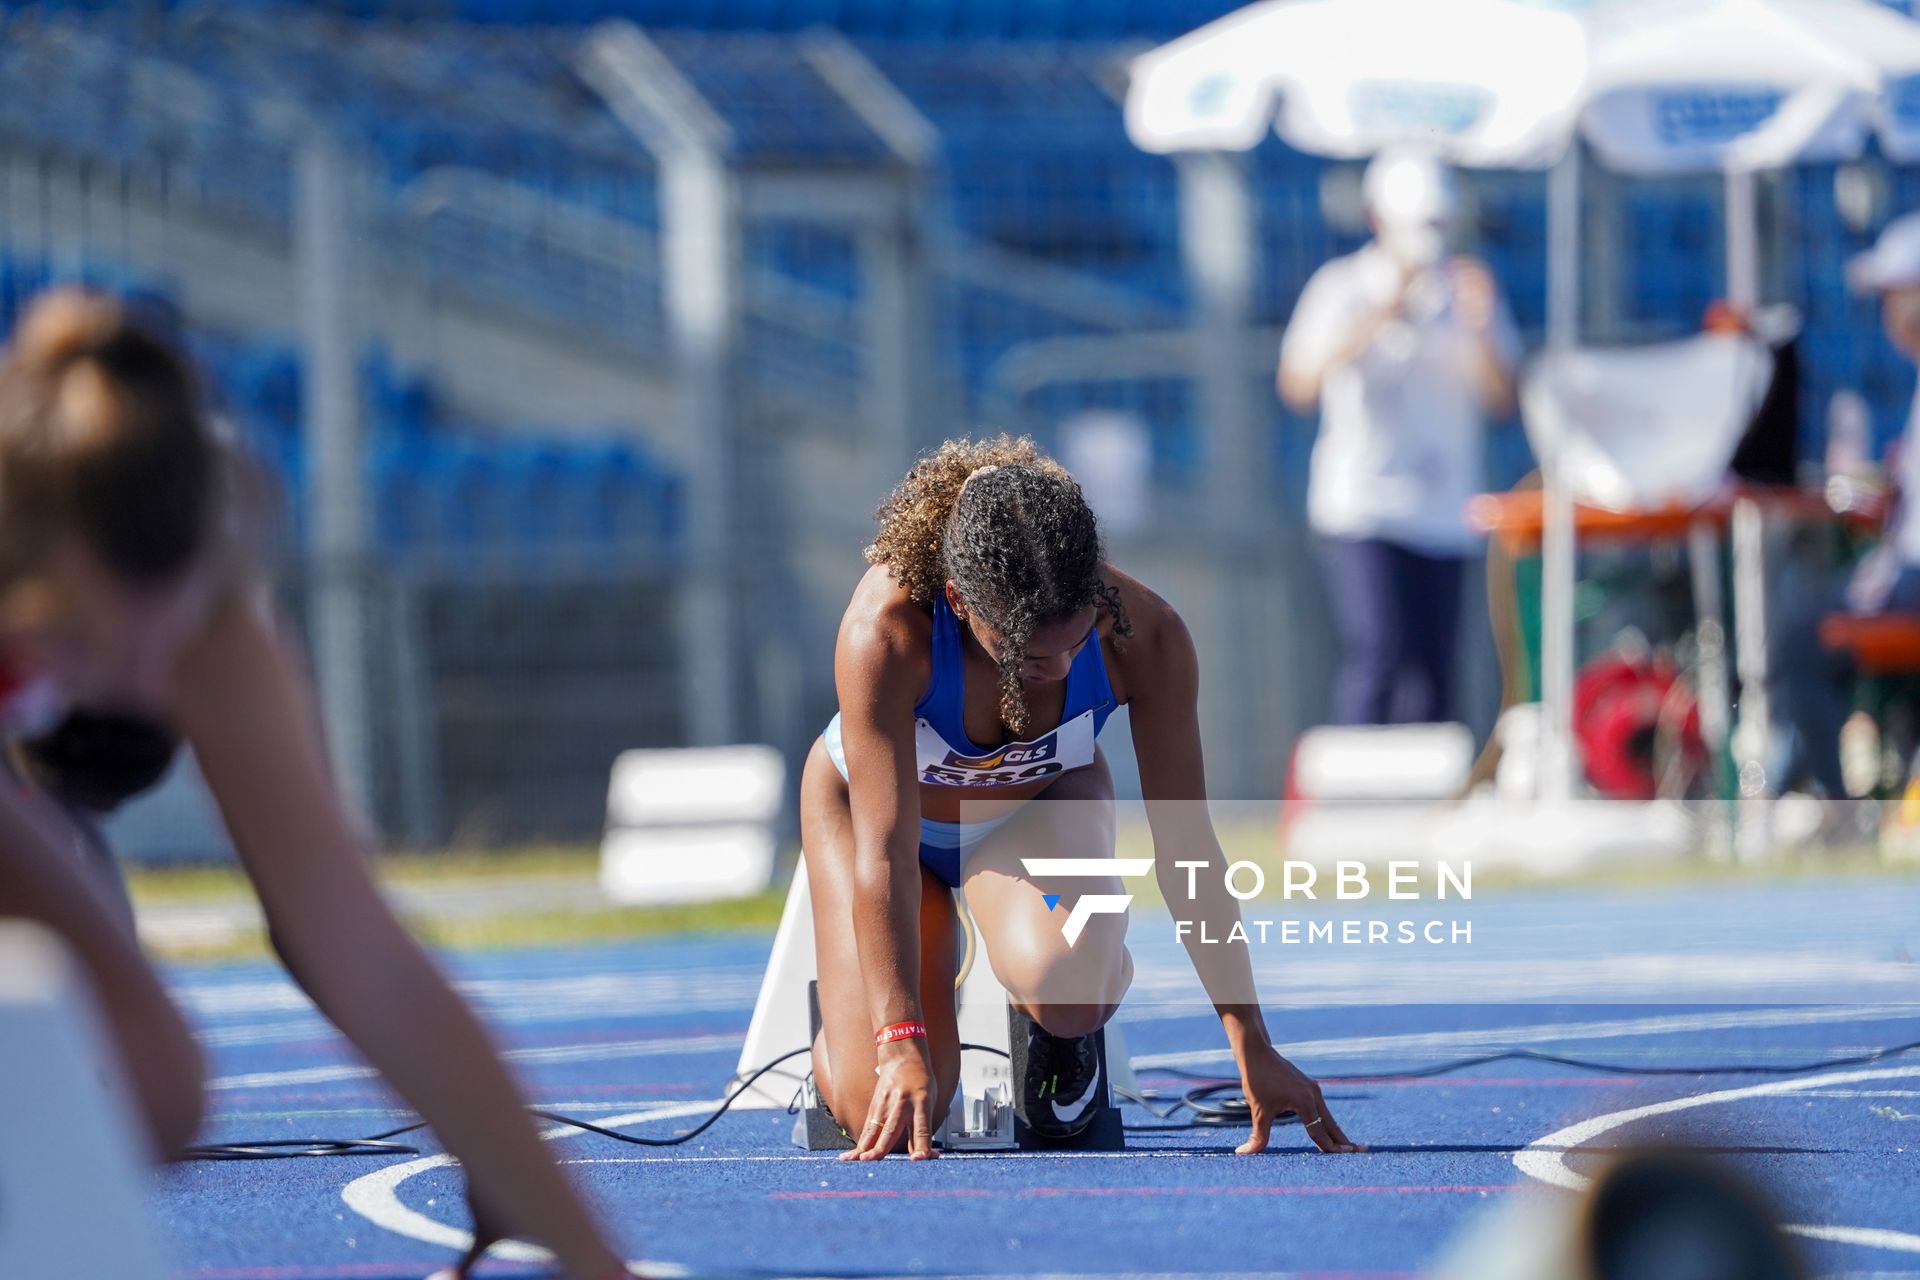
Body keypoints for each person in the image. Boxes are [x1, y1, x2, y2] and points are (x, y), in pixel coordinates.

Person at [0, 289, 635, 1280]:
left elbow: (357, 949)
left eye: (152, 645)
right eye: (78, 643)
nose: (129, 681)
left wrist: (586, 1253)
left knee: (154, 1079)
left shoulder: (214, 613)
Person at [802, 433, 1360, 1160]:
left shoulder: (1147, 635)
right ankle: (849, 1032)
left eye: (1077, 642)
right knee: (893, 1101)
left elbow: (1188, 851)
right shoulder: (884, 631)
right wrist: (899, 1039)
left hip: (1031, 814)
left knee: (1069, 986)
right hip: (876, 823)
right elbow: (886, 853)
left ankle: (1056, 1012)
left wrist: (1250, 1041)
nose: (1062, 666)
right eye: (1031, 656)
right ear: (958, 601)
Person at [1278, 147, 1520, 726]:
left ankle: (1427, 807)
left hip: (1444, 507)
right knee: (1381, 651)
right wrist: (1379, 315)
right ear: (1377, 219)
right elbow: (1299, 383)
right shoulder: (1342, 287)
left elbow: (1502, 399)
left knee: (1436, 668)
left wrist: (1481, 326)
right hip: (1363, 506)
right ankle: (1360, 801)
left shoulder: (1469, 293)